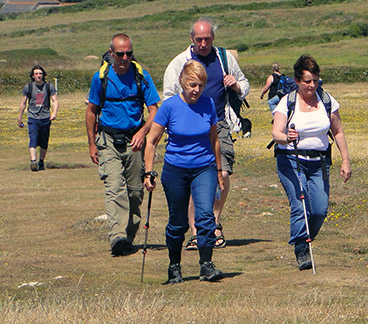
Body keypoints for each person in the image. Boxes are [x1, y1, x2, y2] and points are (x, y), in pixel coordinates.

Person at [163, 18, 250, 250]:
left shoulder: (224, 58)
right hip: (188, 126)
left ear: (213, 38)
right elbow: (168, 95)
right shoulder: (179, 63)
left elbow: (244, 84)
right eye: (199, 39)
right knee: (195, 178)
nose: (203, 43)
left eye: (207, 39)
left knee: (224, 172)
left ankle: (213, 222)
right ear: (191, 39)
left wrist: (236, 85)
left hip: (220, 122)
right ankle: (196, 231)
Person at [144, 61, 224, 283]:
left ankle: (206, 265)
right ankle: (174, 266)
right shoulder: (169, 107)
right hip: (175, 169)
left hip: (204, 167)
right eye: (192, 85)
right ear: (182, 82)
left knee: (206, 216)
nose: (196, 90)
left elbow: (214, 140)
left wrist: (218, 170)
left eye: (200, 85)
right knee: (177, 221)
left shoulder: (208, 104)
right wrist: (148, 172)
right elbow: (152, 141)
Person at [271, 55, 352, 270]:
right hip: (291, 159)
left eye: (315, 80)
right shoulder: (286, 102)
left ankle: (306, 238)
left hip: (320, 162)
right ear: (297, 81)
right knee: (300, 203)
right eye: (307, 81)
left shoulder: (326, 101)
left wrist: (346, 160)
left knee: (319, 209)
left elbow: (338, 131)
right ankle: (300, 247)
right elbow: (275, 133)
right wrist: (286, 137)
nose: (312, 85)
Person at [85, 34, 160, 256]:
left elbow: (155, 110)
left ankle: (127, 237)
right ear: (111, 53)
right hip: (108, 140)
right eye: (120, 54)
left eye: (128, 53)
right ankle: (117, 237)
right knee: (115, 187)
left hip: (135, 141)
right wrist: (92, 144)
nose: (124, 58)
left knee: (135, 192)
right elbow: (91, 112)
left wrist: (143, 131)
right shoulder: (101, 78)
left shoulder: (142, 77)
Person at [18, 65, 58, 171]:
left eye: (40, 73)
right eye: (36, 74)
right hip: (33, 118)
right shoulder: (29, 87)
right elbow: (23, 103)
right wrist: (19, 117)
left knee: (44, 142)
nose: (38, 75)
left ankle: (41, 162)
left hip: (45, 118)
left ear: (43, 75)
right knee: (33, 139)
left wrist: (54, 113)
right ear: (33, 76)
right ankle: (33, 161)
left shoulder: (49, 87)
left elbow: (55, 100)